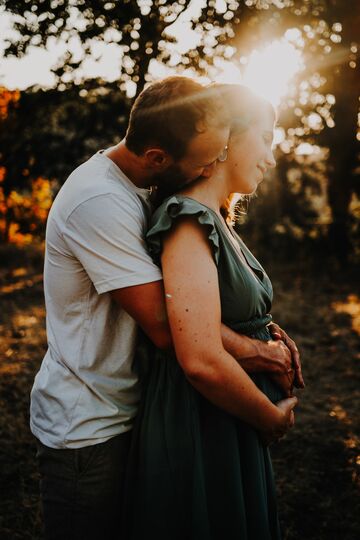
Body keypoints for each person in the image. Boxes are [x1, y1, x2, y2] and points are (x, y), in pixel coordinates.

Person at [30, 76, 302, 540]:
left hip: (127, 409)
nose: (212, 164)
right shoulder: (101, 200)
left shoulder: (138, 189)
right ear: (159, 159)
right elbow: (168, 327)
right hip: (90, 425)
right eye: (208, 156)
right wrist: (260, 356)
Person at [123, 84, 302, 540]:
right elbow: (200, 359)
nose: (270, 157)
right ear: (227, 141)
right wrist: (269, 418)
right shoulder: (188, 221)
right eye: (264, 138)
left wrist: (269, 338)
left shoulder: (218, 219)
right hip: (199, 426)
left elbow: (222, 312)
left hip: (226, 418)